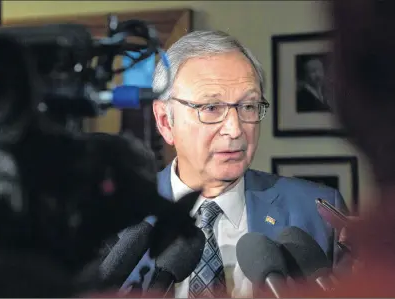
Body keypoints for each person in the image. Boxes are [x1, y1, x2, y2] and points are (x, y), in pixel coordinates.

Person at [122, 30, 348, 298]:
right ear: (165, 121)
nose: (235, 128)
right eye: (211, 107)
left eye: (248, 106)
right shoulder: (117, 219)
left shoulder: (318, 215)